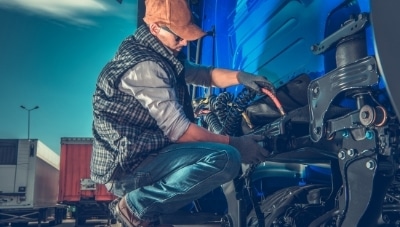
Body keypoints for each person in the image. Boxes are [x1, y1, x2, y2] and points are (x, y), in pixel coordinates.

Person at [90, 0, 274, 226]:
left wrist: (241, 77)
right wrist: (238, 144)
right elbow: (181, 132)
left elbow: (202, 74)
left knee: (215, 178)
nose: (185, 42)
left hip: (145, 155)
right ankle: (135, 207)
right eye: (178, 36)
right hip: (129, 170)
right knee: (226, 157)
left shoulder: (158, 50)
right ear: (156, 28)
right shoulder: (145, 66)